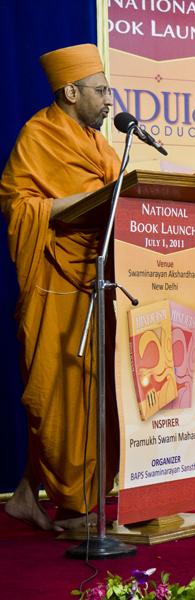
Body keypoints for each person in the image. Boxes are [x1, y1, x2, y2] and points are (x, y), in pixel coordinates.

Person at [0, 44, 120, 530]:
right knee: (59, 392)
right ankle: (73, 506)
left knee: (91, 390)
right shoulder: (39, 134)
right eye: (101, 90)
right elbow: (18, 205)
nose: (109, 100)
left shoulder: (98, 144)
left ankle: (28, 495)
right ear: (71, 92)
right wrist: (86, 199)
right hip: (55, 279)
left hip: (97, 277)